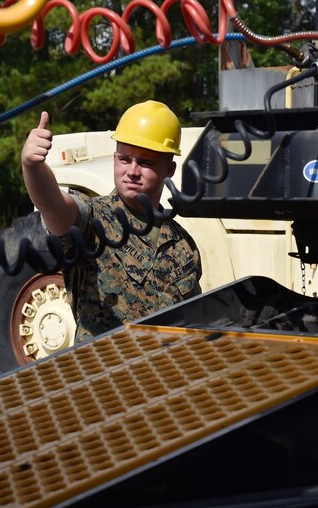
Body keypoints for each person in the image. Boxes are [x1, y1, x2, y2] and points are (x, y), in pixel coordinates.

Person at [21, 100, 202, 342]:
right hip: (101, 373)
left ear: (169, 169)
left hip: (162, 375)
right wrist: (32, 167)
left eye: (146, 162)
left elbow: (196, 322)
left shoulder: (183, 246)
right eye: (124, 159)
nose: (132, 171)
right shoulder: (93, 220)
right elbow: (52, 204)